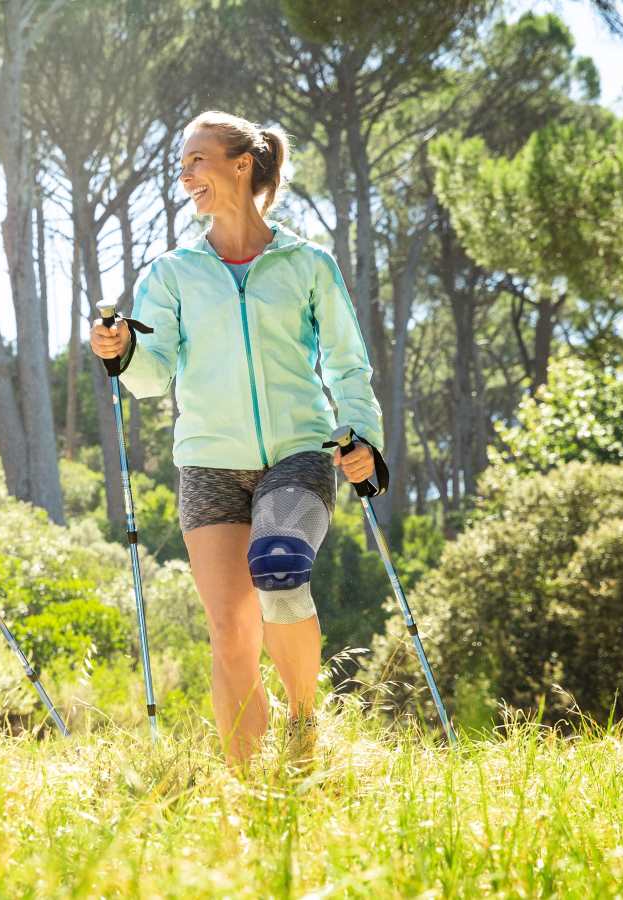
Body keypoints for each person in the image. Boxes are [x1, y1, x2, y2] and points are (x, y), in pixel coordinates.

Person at [90, 111, 387, 768]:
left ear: (240, 163)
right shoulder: (171, 273)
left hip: (298, 454)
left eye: (198, 159)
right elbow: (149, 378)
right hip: (208, 466)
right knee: (231, 631)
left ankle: (305, 726)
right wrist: (121, 350)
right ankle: (246, 782)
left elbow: (346, 363)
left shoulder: (307, 263)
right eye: (183, 164)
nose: (186, 175)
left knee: (280, 570)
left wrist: (363, 437)